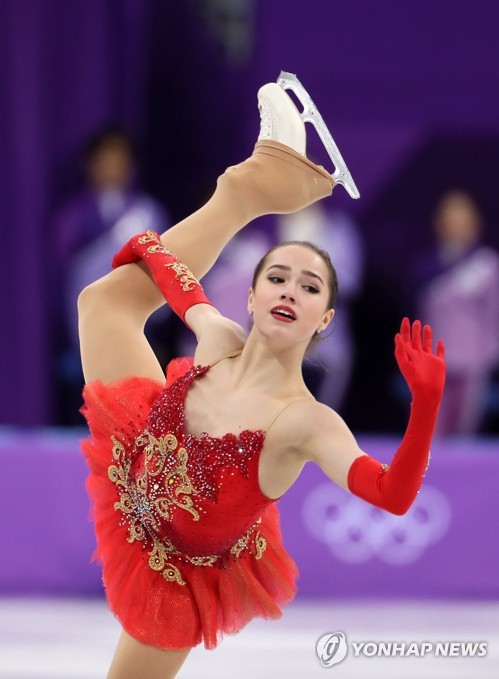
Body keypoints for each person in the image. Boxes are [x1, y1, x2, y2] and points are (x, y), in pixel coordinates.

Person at [78, 78, 446, 678]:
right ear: (250, 296)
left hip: (179, 570)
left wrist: (426, 404)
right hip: (137, 463)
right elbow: (157, 262)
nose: (289, 292)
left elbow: (393, 496)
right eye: (277, 278)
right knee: (104, 302)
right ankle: (251, 188)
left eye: (308, 287)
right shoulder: (220, 339)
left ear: (325, 316)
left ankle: (256, 187)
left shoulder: (305, 420)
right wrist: (175, 284)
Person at [414, 190, 499, 435]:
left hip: (472, 361)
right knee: (431, 430)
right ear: (439, 223)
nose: (455, 225)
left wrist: (489, 358)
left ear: (474, 223)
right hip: (433, 360)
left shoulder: (487, 264)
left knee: (464, 431)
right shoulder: (425, 265)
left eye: (462, 218)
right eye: (449, 218)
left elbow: (494, 314)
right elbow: (417, 315)